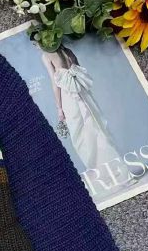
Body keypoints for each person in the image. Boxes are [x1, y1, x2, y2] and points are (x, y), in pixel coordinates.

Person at [41, 45, 130, 184]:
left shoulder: (46, 55)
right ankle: (116, 172)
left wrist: (59, 108)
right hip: (82, 92)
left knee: (81, 135)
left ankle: (106, 174)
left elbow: (55, 83)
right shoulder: (67, 50)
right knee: (97, 129)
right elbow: (79, 70)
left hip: (68, 96)